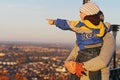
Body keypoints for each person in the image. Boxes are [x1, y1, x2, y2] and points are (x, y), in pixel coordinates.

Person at [46, 2, 115, 80]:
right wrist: (68, 63)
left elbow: (102, 61)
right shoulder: (82, 38)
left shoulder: (108, 37)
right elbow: (74, 54)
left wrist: (78, 66)